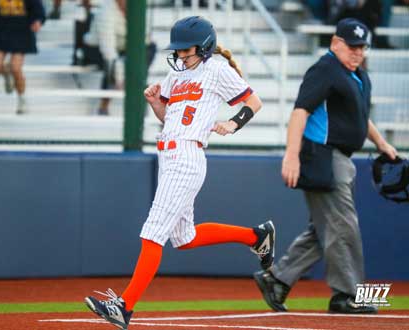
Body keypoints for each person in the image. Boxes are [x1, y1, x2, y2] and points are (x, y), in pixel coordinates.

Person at [84, 16, 275, 329]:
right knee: (184, 238)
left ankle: (124, 307)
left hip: (187, 154)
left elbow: (254, 101)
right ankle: (255, 236)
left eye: (187, 50)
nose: (181, 55)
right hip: (169, 152)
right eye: (179, 50)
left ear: (205, 46)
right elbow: (168, 117)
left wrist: (233, 123)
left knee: (153, 230)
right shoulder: (177, 72)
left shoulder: (216, 68)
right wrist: (155, 104)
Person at [254, 18, 398, 315]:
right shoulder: (325, 69)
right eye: (351, 46)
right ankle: (347, 294)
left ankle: (277, 279)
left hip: (341, 159)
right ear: (335, 43)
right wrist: (291, 155)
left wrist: (382, 144)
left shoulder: (358, 76)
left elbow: (360, 118)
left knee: (326, 227)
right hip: (322, 155)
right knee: (342, 226)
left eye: (362, 47)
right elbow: (300, 111)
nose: (357, 52)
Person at [82, 0, 156, 116]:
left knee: (149, 50)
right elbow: (108, 50)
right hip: (96, 48)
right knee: (111, 65)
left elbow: (145, 39)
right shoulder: (105, 11)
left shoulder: (137, 9)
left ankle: (139, 88)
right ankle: (104, 104)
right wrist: (120, 78)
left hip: (123, 46)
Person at [0, 0, 45, 114]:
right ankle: (7, 74)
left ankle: (22, 99)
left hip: (21, 34)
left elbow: (39, 10)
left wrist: (38, 21)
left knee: (16, 68)